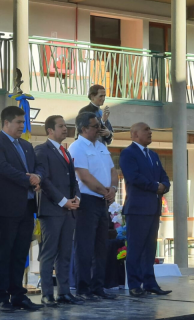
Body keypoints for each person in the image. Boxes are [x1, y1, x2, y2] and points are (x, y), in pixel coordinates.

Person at [0, 106, 44, 312]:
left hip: (27, 207)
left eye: (23, 122)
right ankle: (1, 297)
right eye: (19, 122)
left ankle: (18, 296)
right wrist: (29, 179)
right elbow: (2, 167)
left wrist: (38, 177)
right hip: (6, 208)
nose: (22, 126)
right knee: (4, 254)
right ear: (6, 123)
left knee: (20, 254)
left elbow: (38, 167)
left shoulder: (27, 146)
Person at [68, 112, 118, 301]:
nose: (99, 129)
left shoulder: (102, 147)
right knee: (85, 247)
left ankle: (98, 287)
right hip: (87, 201)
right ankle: (83, 289)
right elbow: (84, 176)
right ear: (84, 129)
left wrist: (113, 188)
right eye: (95, 126)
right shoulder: (77, 147)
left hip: (102, 201)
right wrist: (105, 191)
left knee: (101, 246)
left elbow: (113, 171)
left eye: (98, 125)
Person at [34, 115, 83, 307]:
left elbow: (73, 181)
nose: (65, 129)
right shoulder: (42, 150)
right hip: (52, 210)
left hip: (69, 211)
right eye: (61, 126)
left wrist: (77, 197)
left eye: (65, 125)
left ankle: (64, 292)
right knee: (49, 253)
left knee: (65, 253)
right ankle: (47, 294)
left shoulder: (66, 152)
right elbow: (44, 180)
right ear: (50, 131)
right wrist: (63, 201)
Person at [119, 122, 172, 297]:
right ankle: (134, 284)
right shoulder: (128, 153)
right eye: (146, 130)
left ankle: (149, 283)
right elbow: (134, 177)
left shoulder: (154, 155)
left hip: (153, 208)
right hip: (137, 209)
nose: (150, 132)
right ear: (134, 134)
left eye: (150, 129)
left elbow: (164, 176)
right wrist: (155, 186)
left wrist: (164, 185)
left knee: (150, 248)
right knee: (135, 247)